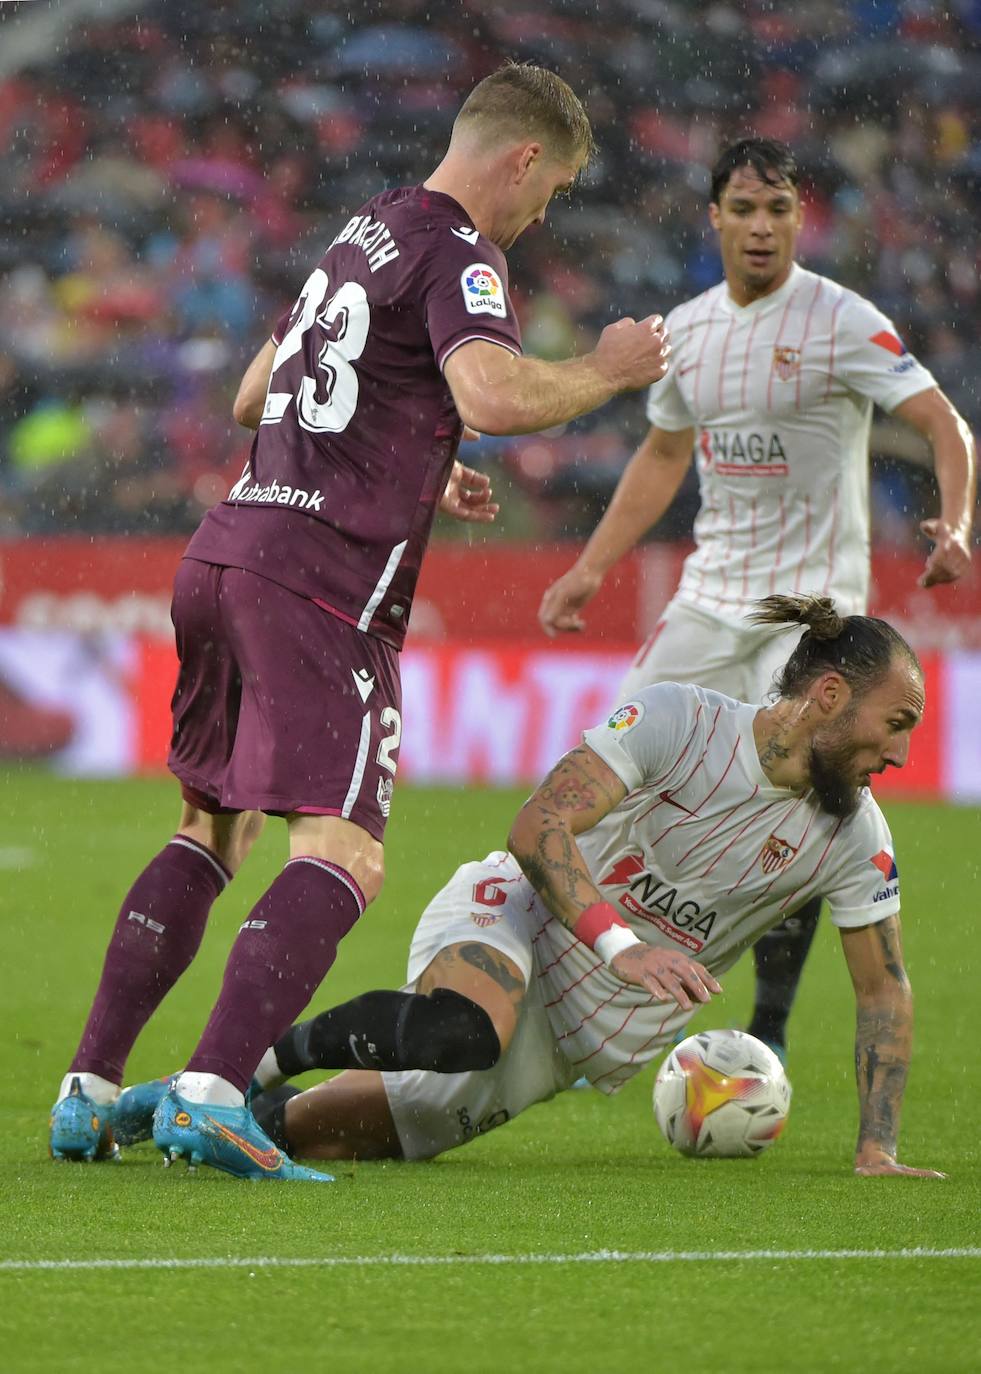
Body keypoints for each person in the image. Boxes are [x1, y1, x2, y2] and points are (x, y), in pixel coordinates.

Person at [48, 63, 672, 1181]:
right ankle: (211, 1093)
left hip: (226, 549)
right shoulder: (460, 252)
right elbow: (489, 395)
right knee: (345, 852)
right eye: (558, 187)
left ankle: (88, 1090)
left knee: (211, 829)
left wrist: (412, 465)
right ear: (522, 158)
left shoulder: (362, 231)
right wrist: (608, 370)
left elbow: (258, 398)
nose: (546, 214)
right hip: (319, 586)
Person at [118, 595, 938, 1179]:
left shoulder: (851, 833)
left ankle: (176, 1105)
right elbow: (538, 823)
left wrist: (877, 1149)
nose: (898, 753)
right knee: (463, 1027)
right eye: (894, 723)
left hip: (568, 1042)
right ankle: (236, 1074)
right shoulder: (680, 722)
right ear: (828, 695)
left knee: (309, 1136)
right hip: (519, 913)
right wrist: (621, 943)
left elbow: (883, 989)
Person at [537, 136, 976, 1062]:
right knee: (604, 781)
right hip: (706, 602)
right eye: (743, 209)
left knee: (809, 809)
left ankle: (766, 1022)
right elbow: (663, 456)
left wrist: (958, 521)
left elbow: (941, 421)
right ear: (715, 218)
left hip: (815, 622)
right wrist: (589, 567)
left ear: (797, 219)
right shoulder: (685, 330)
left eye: (778, 209)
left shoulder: (843, 321)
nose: (761, 227)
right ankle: (558, 971)